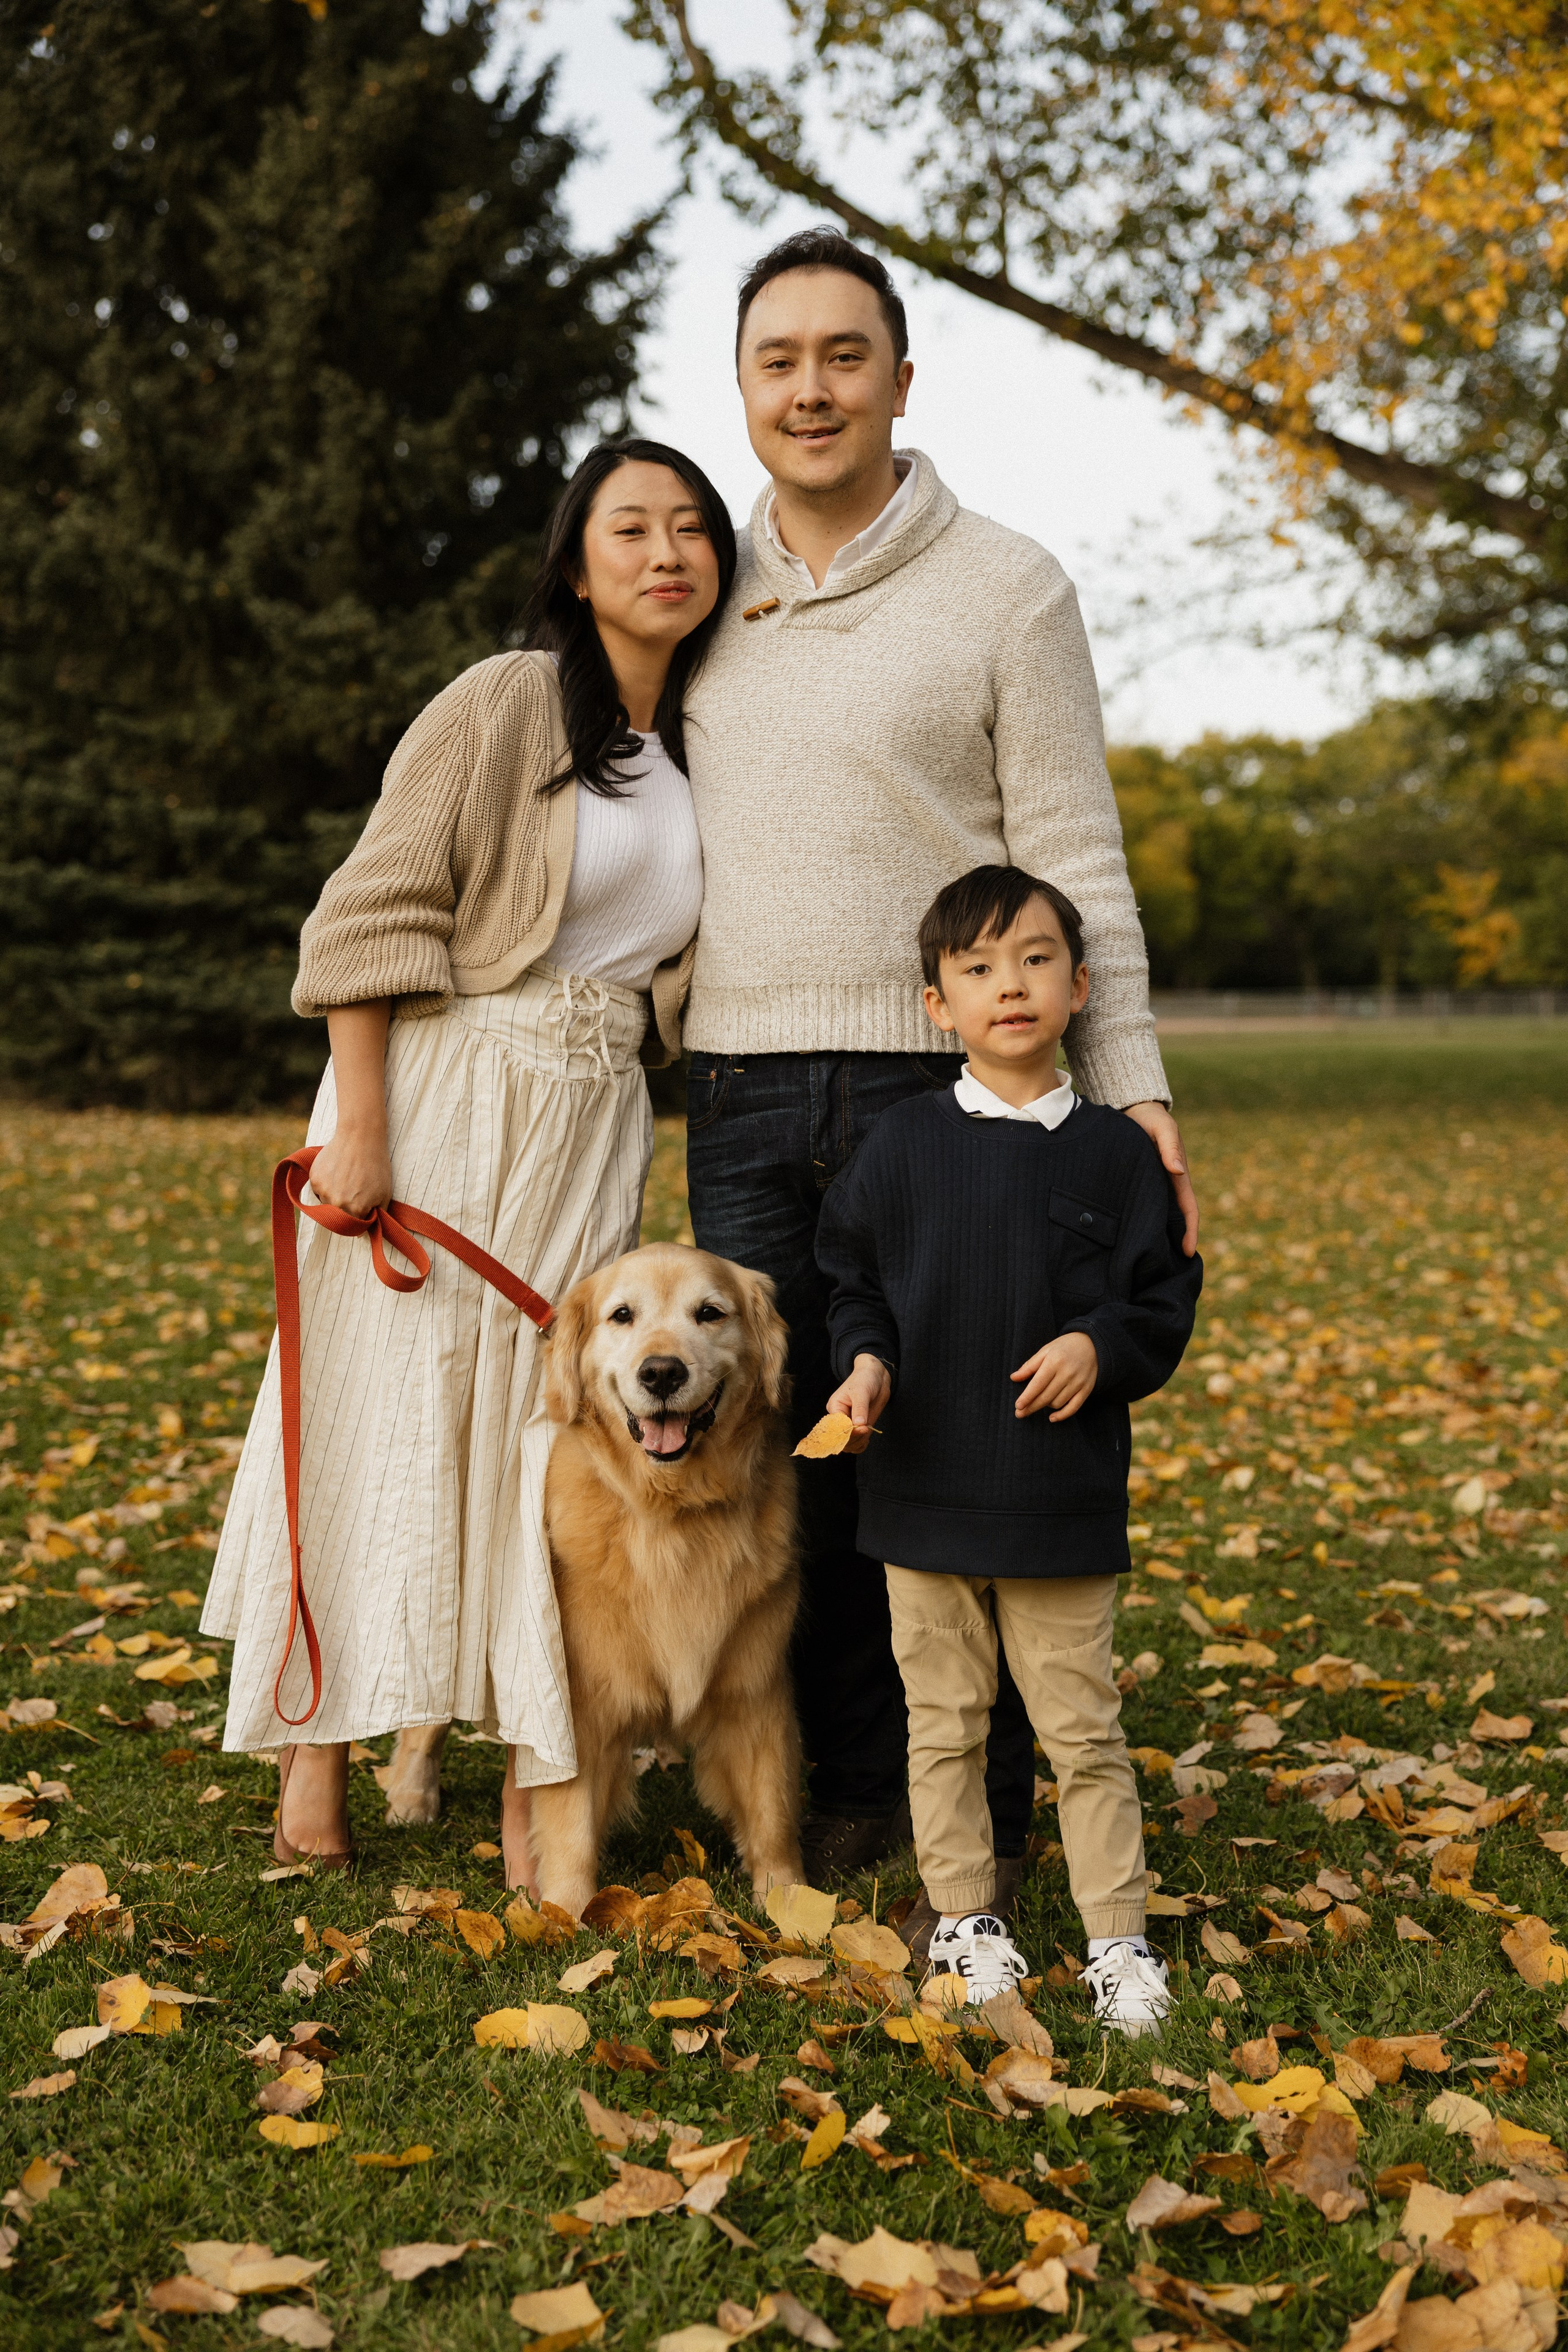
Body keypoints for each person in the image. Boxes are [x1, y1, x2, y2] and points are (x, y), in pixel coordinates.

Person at [679, 225, 1198, 1915]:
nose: (811, 388)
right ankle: (834, 1791)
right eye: (779, 360)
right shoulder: (704, 598)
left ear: (903, 381)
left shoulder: (1008, 586)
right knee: (790, 1453)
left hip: (939, 1088)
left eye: (845, 355)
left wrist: (1139, 1095)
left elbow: (1074, 860)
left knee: (959, 1444)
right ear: (742, 387)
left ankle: (975, 1807)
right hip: (744, 1086)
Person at [201, 439, 736, 1885]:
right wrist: (359, 1122)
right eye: (630, 528)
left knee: (538, 1432)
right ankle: (315, 1754)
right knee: (386, 1411)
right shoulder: (503, 703)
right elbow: (370, 909)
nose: (665, 551)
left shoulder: (705, 745)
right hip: (444, 1089)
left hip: (589, 1115)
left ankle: (526, 1765)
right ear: (577, 563)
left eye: (691, 528)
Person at [815, 865, 1202, 2035]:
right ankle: (970, 1924)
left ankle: (1117, 1939)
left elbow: (1161, 1297)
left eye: (1035, 960)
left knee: (1081, 1729)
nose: (1010, 986)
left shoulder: (1115, 1157)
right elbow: (852, 1285)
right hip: (922, 1492)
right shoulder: (897, 1151)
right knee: (944, 1723)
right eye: (977, 969)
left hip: (1057, 1499)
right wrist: (867, 1362)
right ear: (938, 1005)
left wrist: (1101, 1343)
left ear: (1080, 987)